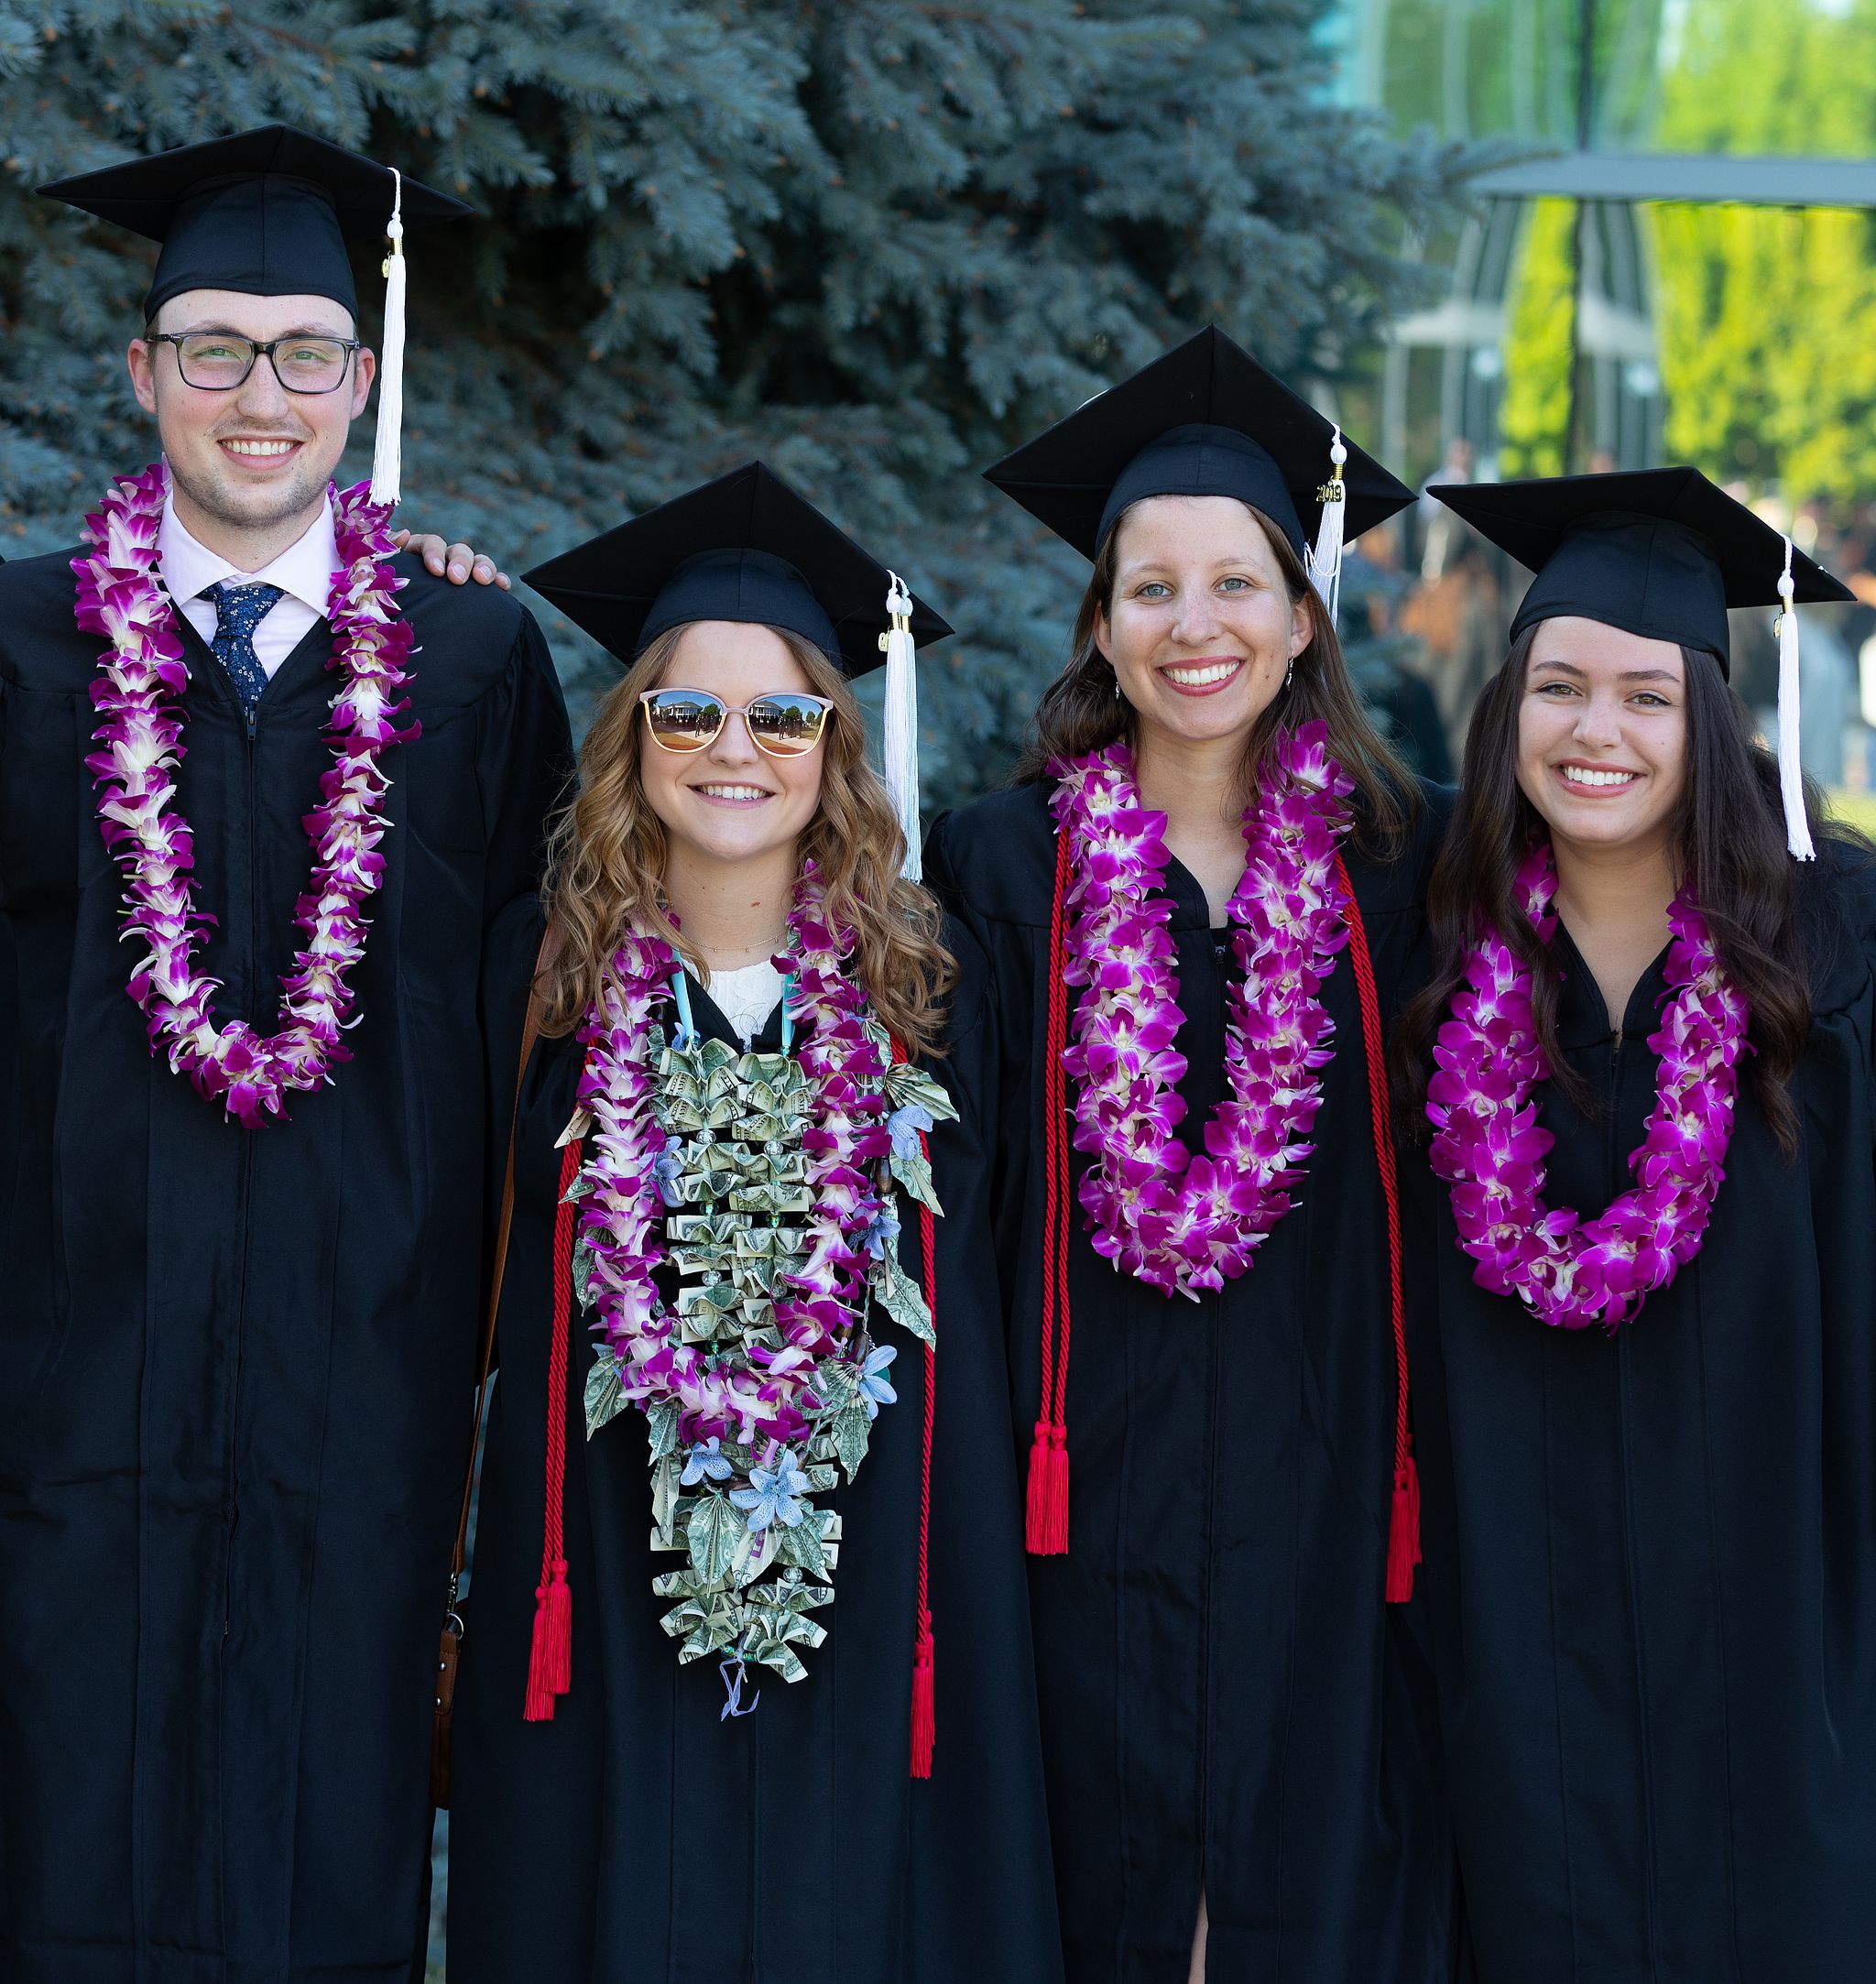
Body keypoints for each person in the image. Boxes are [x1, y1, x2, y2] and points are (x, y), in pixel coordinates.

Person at [0, 125, 570, 1981]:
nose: (266, 395)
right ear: (146, 371)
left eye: (308, 353)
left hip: (363, 1380)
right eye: (219, 349)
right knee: (64, 1814)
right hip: (68, 1379)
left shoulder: (475, 666)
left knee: (325, 1846)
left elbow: (536, 1023)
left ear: (365, 378)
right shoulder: (17, 645)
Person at [446, 463, 1063, 1983]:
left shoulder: (936, 994)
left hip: (877, 1583)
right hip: (597, 1572)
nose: (737, 749)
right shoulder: (539, 984)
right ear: (631, 739)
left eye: (784, 717)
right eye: (689, 712)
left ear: (838, 747)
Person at [923, 326, 1465, 1984]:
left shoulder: (1412, 861)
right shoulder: (1004, 862)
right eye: (1149, 590)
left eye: (1236, 585)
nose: (1194, 628)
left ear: (1305, 613)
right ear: (1100, 621)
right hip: (1081, 1484)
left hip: (1331, 1474)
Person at [1397, 466, 1876, 1982]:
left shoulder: (1839, 939)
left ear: (1715, 724)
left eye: (1644, 697)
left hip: (1775, 1625)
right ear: (1506, 704)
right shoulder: (1442, 943)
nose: (1594, 731)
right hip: (1519, 1649)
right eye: (1558, 687)